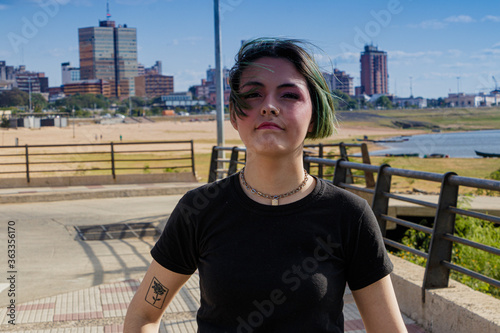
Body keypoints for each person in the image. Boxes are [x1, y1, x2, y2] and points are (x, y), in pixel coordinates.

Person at [124, 38, 407, 333]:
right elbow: (144, 314)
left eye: (289, 95)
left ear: (313, 115)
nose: (269, 106)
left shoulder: (349, 215)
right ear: (234, 115)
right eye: (253, 94)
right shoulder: (199, 209)